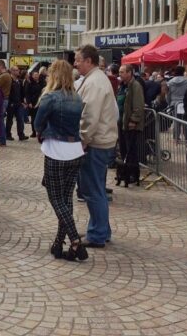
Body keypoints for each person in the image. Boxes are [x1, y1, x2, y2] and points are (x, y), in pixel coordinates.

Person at [34, 60, 88, 261]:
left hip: (56, 150)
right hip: (75, 150)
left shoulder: (50, 97)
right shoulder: (77, 97)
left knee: (56, 199)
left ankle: (74, 241)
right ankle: (59, 243)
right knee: (66, 200)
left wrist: (43, 130)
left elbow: (38, 123)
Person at [74, 44, 118, 248]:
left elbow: (90, 116)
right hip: (100, 141)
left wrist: (83, 140)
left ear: (88, 61)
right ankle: (101, 228)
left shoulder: (94, 83)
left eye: (78, 60)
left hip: (96, 143)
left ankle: (98, 233)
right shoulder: (95, 79)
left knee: (92, 190)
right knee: (97, 189)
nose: (76, 64)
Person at [118, 63, 145, 185]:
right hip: (122, 122)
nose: (120, 74)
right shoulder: (122, 86)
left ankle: (134, 174)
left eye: (122, 72)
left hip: (130, 124)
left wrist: (134, 120)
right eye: (119, 72)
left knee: (131, 151)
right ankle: (125, 173)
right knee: (124, 150)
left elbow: (138, 104)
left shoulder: (135, 86)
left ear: (129, 73)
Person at [5, 65, 28, 141]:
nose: (18, 71)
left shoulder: (19, 81)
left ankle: (21, 135)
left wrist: (23, 101)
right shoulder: (10, 80)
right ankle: (8, 134)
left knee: (20, 119)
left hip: (19, 103)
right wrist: (10, 102)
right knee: (9, 120)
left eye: (18, 70)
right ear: (12, 71)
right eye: (16, 70)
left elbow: (22, 93)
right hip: (11, 103)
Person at [0, 59, 12, 144]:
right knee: (0, 120)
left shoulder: (4, 76)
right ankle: (2, 139)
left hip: (2, 100)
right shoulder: (5, 75)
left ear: (1, 66)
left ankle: (2, 139)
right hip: (4, 99)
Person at [24, 70, 43, 138]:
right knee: (34, 118)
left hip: (41, 102)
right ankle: (34, 132)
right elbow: (27, 93)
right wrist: (29, 102)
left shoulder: (42, 82)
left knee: (41, 117)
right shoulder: (29, 83)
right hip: (33, 103)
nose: (36, 76)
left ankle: (40, 132)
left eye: (37, 74)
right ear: (32, 76)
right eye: (35, 75)